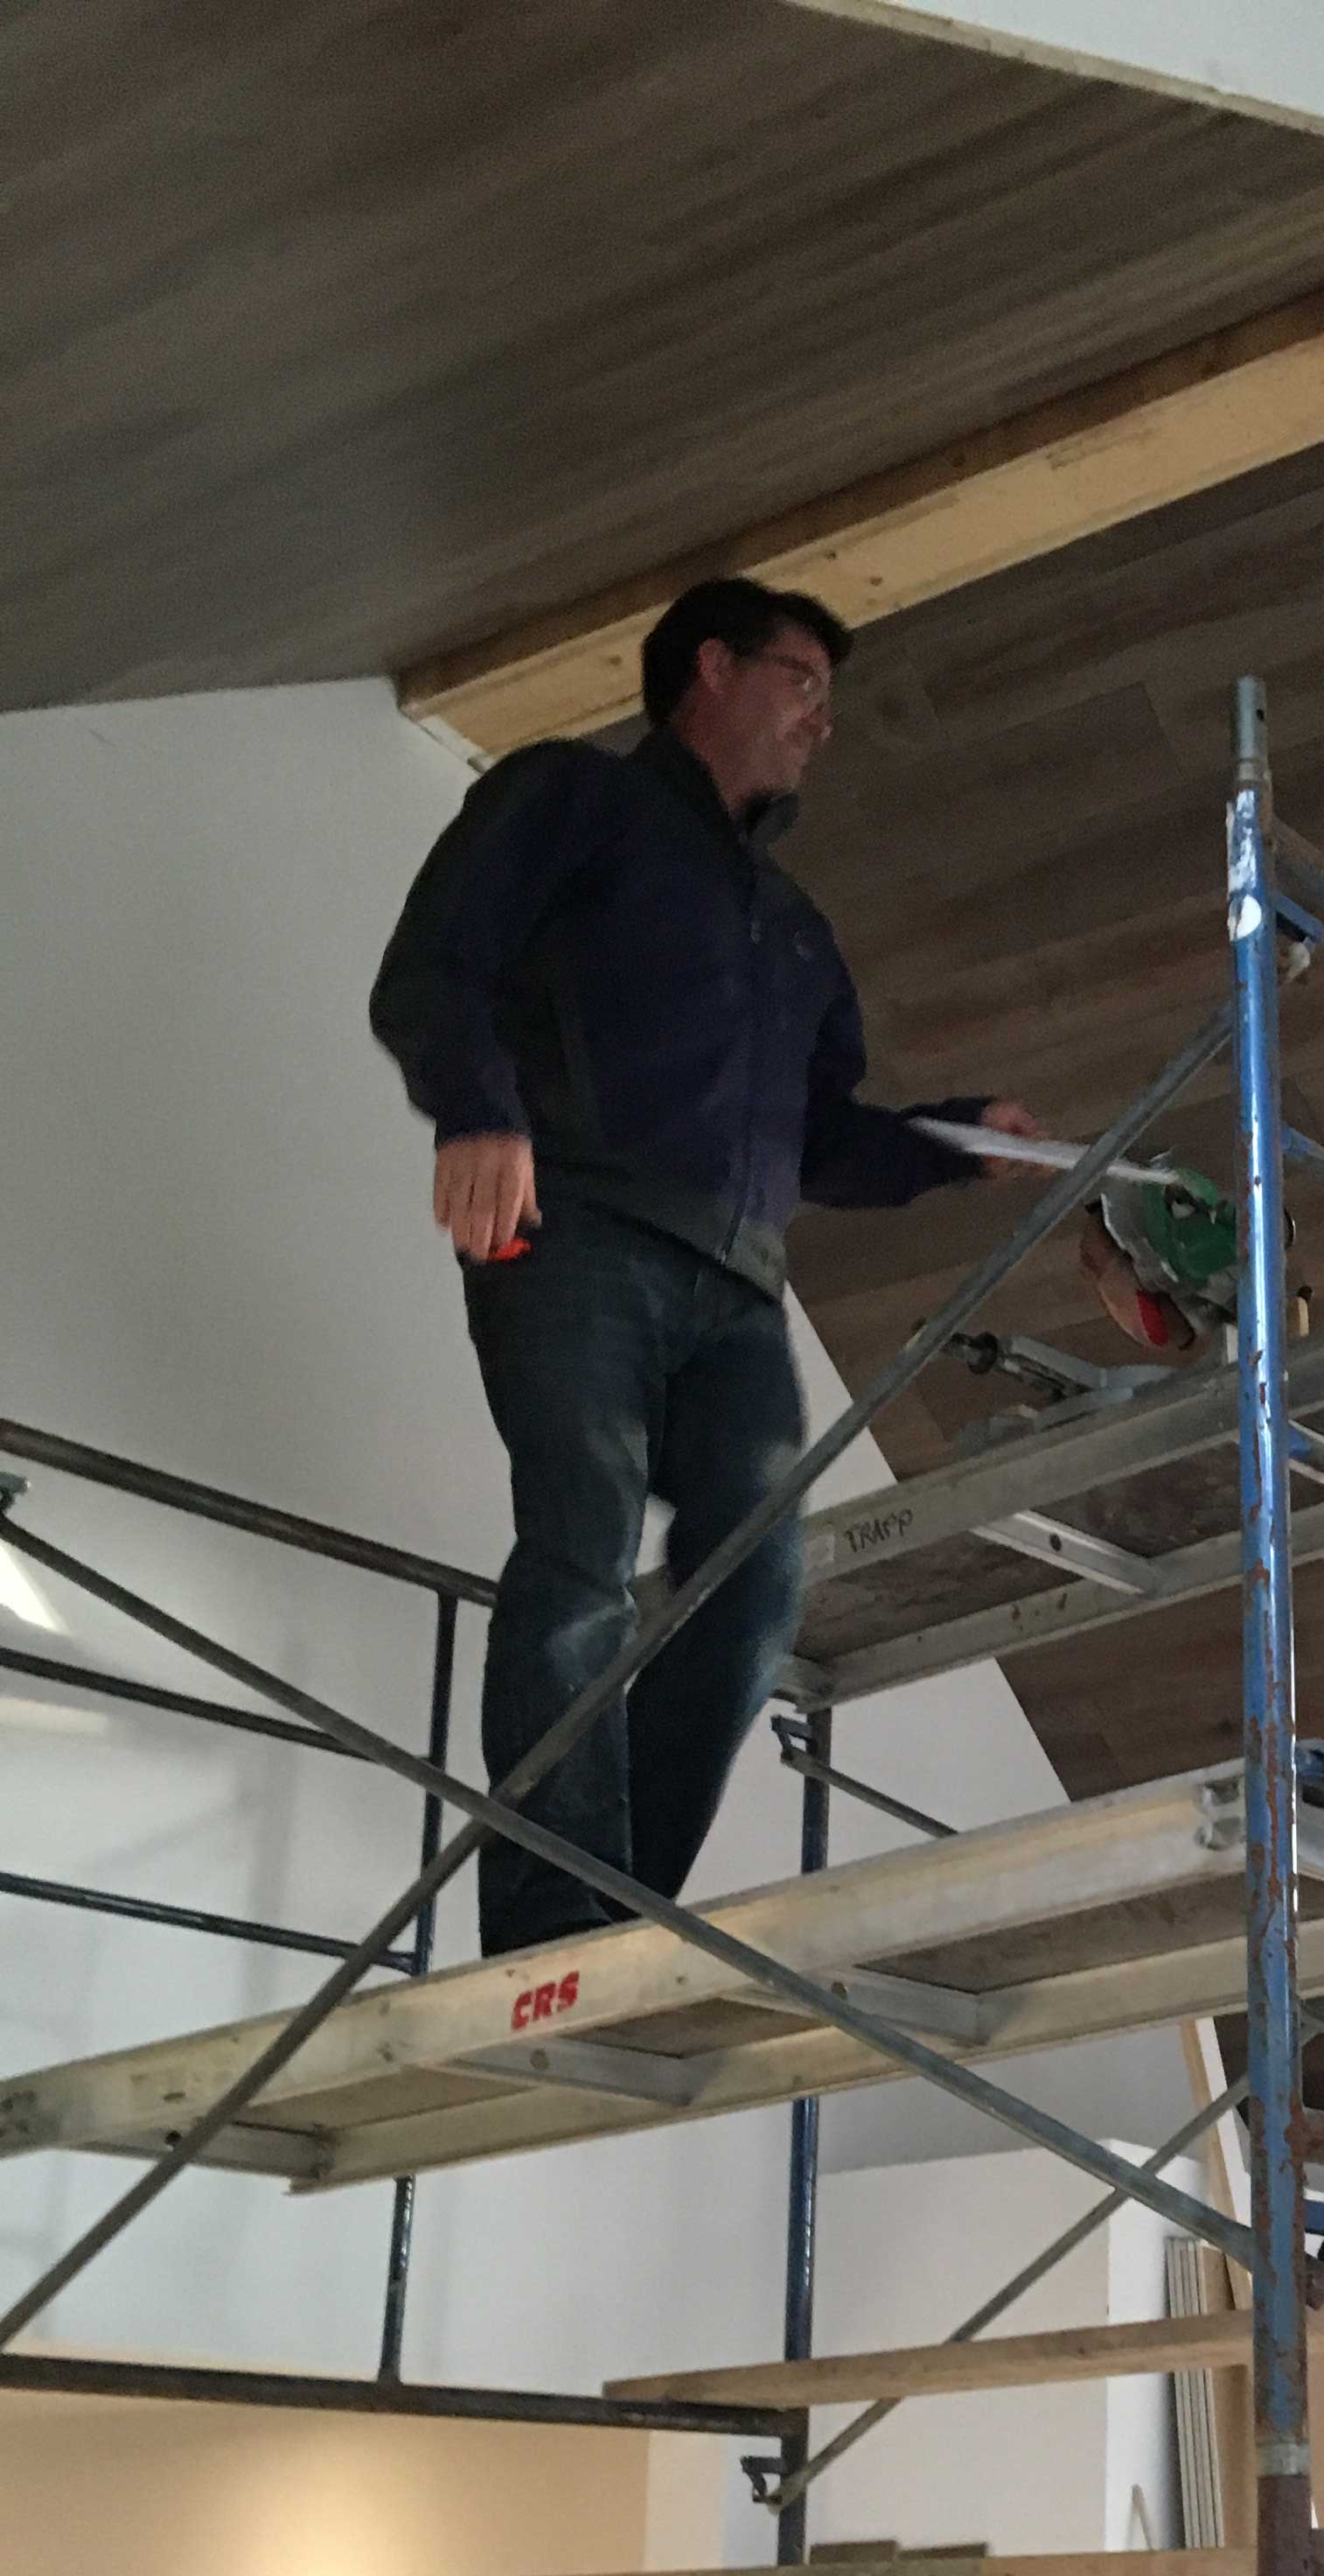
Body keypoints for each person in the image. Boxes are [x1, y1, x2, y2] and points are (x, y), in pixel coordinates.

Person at [371, 576, 1043, 1954]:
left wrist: (954, 1141)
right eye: (803, 683)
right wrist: (479, 1111)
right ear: (714, 668)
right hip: (577, 1235)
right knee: (581, 1556)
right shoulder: (574, 799)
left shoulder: (792, 930)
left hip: (737, 1287)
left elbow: (821, 1139)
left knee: (757, 1587)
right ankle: (552, 1921)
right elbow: (433, 964)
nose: (821, 723)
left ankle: (621, 1911)